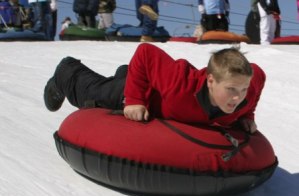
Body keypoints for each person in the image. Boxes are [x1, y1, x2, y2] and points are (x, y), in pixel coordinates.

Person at [44, 43, 266, 133]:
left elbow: (259, 75)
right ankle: (66, 71)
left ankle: (126, 73)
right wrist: (134, 99)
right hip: (149, 94)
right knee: (92, 94)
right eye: (231, 90)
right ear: (211, 81)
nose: (238, 97)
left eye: (243, 89)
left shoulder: (247, 91)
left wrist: (248, 115)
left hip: (152, 83)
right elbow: (146, 52)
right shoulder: (179, 85)